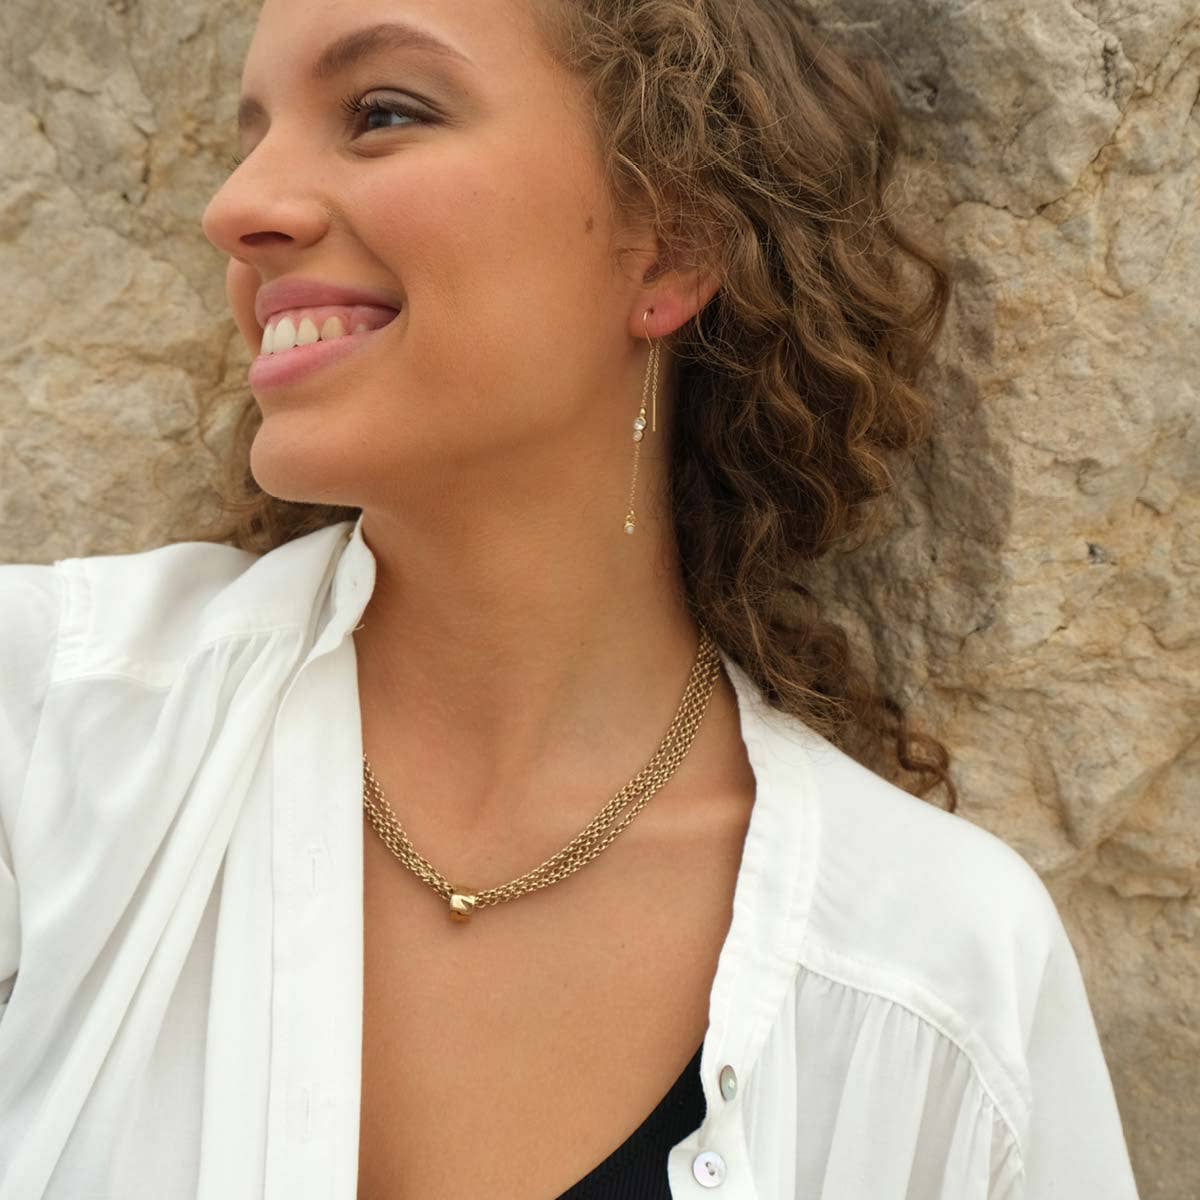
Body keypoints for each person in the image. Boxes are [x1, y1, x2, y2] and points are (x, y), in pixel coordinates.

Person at [0, 1, 1141, 1197]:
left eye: (382, 112)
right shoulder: (47, 748)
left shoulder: (935, 978)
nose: (235, 207)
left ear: (671, 244)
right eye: (253, 134)